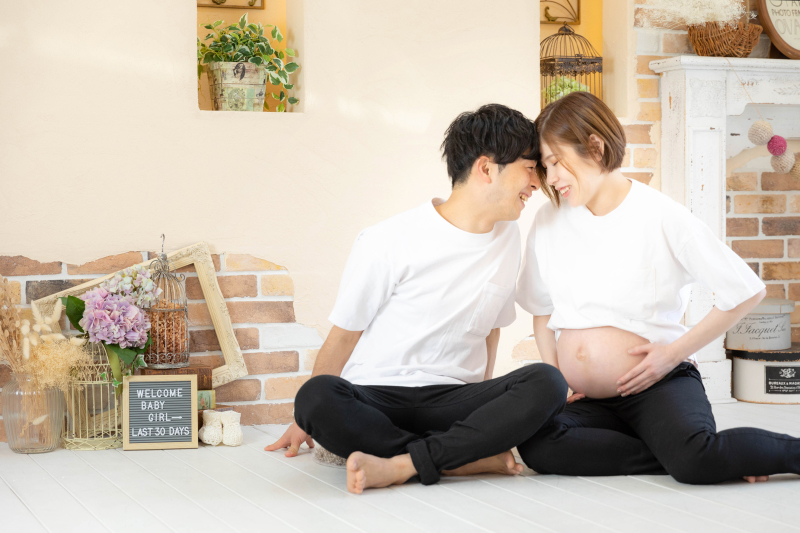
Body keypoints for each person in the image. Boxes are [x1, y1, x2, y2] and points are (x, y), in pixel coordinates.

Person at [265, 104, 568, 493]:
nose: (537, 183)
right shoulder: (388, 239)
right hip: (379, 396)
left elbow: (491, 329)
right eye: (530, 168)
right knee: (315, 397)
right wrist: (304, 418)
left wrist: (487, 414)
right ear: (486, 168)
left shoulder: (508, 238)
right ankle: (455, 460)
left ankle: (405, 462)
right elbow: (343, 336)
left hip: (454, 399)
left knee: (547, 381)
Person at [515, 91, 800, 484]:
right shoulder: (549, 221)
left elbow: (746, 289)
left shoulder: (660, 214)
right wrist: (555, 379)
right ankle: (672, 450)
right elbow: (542, 310)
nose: (552, 178)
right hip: (588, 400)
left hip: (658, 384)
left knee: (694, 462)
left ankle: (756, 452)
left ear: (595, 147)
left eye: (556, 162)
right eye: (546, 167)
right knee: (538, 444)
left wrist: (671, 355)